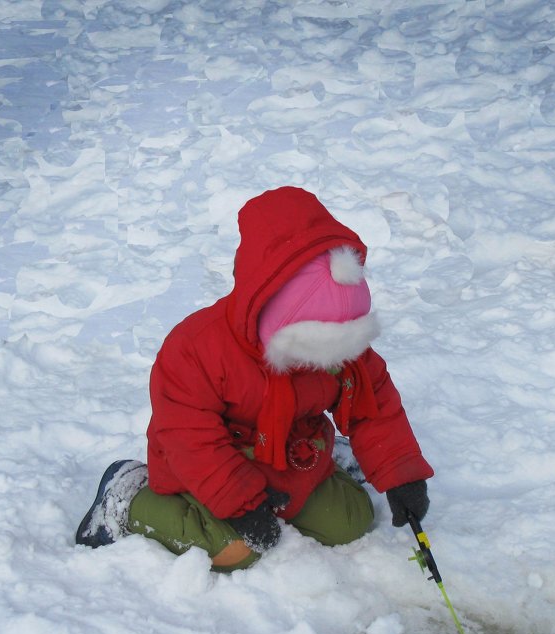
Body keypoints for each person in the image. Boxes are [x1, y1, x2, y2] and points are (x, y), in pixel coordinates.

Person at [76, 186, 433, 571]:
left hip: (289, 452)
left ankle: (330, 463)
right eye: (312, 352)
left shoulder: (341, 344)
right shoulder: (196, 349)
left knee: (350, 523)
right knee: (236, 552)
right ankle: (128, 499)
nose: (326, 365)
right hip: (207, 463)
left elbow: (371, 403)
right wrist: (241, 503)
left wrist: (401, 474)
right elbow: (188, 437)